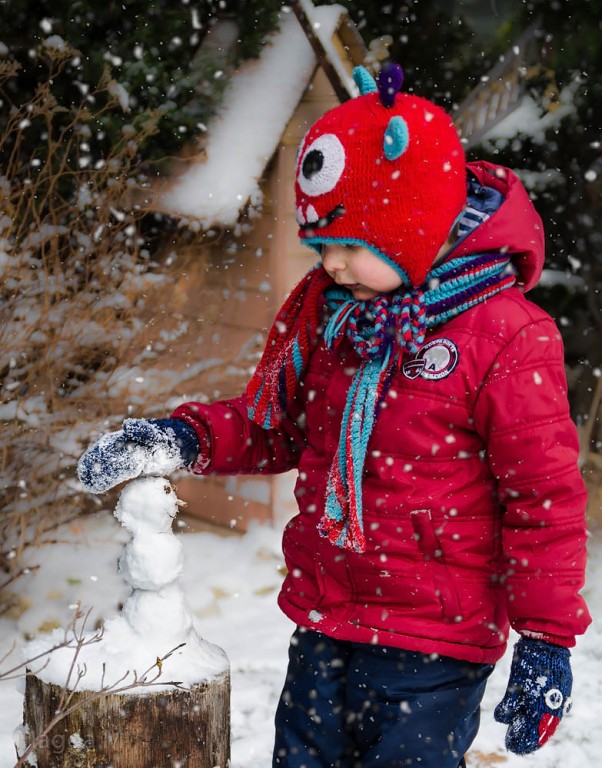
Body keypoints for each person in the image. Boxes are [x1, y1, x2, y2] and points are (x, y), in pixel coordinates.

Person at [78, 63, 591, 767]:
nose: (333, 264)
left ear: (415, 225)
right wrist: (180, 438)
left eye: (351, 243)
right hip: (326, 617)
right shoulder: (334, 317)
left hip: (434, 642)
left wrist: (546, 639)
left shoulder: (506, 335)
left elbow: (543, 501)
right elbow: (274, 426)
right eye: (322, 243)